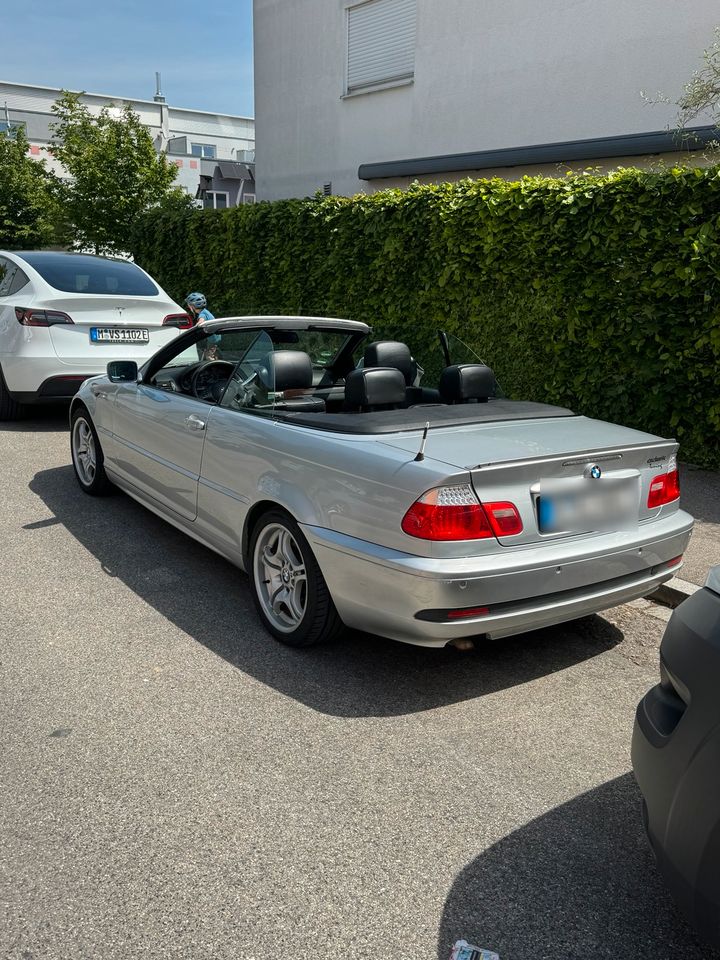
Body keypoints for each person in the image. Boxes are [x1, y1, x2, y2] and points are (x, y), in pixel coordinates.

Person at [185, 292, 220, 360]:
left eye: (189, 306)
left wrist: (194, 328)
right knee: (213, 352)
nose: (189, 308)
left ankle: (213, 366)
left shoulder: (202, 314)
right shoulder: (205, 311)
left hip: (212, 339)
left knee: (209, 356)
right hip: (215, 337)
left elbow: (201, 321)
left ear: (192, 306)